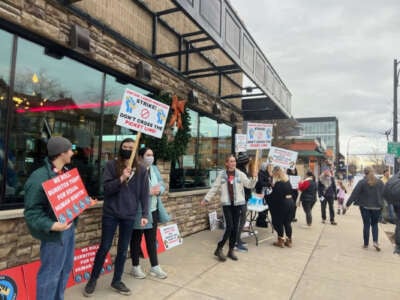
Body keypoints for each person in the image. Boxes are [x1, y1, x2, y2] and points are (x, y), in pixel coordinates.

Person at [84, 138, 149, 297]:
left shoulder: (141, 170)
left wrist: (145, 214)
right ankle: (93, 279)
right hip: (111, 213)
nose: (127, 149)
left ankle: (117, 280)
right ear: (120, 148)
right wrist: (121, 178)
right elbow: (106, 189)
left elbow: (144, 194)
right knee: (105, 246)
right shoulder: (111, 165)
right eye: (125, 147)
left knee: (122, 249)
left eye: (130, 147)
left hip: (129, 214)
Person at [24, 136, 79, 300]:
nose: (72, 153)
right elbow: (32, 213)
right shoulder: (39, 177)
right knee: (50, 274)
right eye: (69, 150)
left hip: (68, 230)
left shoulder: (66, 172)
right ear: (61, 153)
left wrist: (82, 202)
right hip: (54, 235)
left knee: (64, 270)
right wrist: (53, 225)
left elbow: (68, 200)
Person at [201, 154, 257, 262]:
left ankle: (231, 250)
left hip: (238, 204)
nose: (233, 163)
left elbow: (249, 185)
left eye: (234, 161)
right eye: (230, 161)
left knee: (235, 228)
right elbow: (214, 188)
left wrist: (254, 178)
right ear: (226, 163)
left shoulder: (240, 174)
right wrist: (206, 199)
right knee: (229, 227)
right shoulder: (222, 175)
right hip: (227, 204)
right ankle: (219, 248)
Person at [130, 147, 170, 280]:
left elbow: (162, 184)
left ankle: (155, 266)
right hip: (139, 211)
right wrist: (147, 192)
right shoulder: (134, 170)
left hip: (153, 209)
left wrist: (159, 191)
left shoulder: (154, 169)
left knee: (151, 239)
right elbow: (131, 190)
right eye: (148, 155)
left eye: (152, 155)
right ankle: (135, 266)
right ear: (140, 157)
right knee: (136, 239)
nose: (151, 157)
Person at [344, 167, 384, 251]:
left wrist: (347, 205)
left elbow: (354, 194)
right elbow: (384, 194)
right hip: (377, 207)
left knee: (366, 224)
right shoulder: (380, 182)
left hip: (365, 207)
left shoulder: (362, 182)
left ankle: (366, 244)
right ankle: (375, 242)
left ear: (364, 173)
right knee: (375, 224)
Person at [268, 166, 295, 247]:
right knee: (287, 222)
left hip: (282, 204)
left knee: (278, 222)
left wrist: (266, 197)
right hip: (290, 203)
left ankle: (281, 241)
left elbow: (275, 197)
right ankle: (289, 241)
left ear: (276, 173)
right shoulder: (287, 181)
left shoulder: (279, 183)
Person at [234, 152, 252, 252]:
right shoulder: (240, 173)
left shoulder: (244, 170)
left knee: (242, 220)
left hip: (243, 199)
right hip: (240, 200)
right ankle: (236, 242)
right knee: (240, 221)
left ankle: (238, 239)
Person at [255, 162, 273, 227]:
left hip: (266, 193)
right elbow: (261, 183)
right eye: (267, 167)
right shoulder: (260, 173)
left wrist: (271, 176)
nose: (268, 168)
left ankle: (263, 220)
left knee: (265, 208)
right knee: (262, 208)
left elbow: (270, 181)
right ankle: (260, 222)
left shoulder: (267, 173)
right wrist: (269, 183)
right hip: (261, 192)